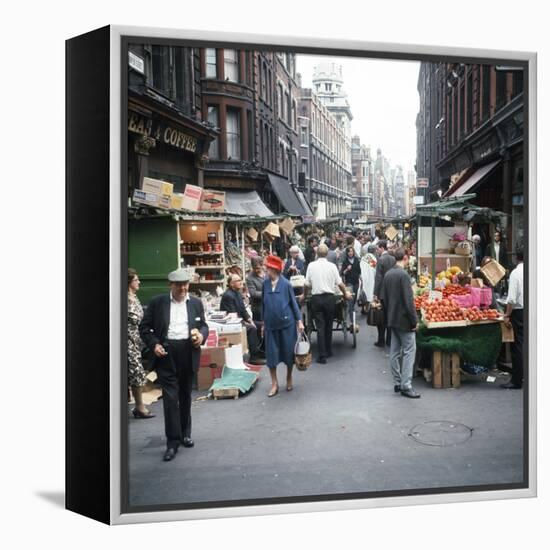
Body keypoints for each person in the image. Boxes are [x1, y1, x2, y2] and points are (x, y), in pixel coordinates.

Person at [139, 268, 209, 461]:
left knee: (186, 394)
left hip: (188, 351)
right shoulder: (158, 303)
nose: (183, 288)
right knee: (171, 398)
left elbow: (204, 325)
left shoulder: (195, 303)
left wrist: (201, 335)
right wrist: (154, 344)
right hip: (167, 353)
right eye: (179, 285)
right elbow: (144, 327)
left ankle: (186, 433)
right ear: (171, 285)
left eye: (186, 284)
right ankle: (172, 441)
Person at [379, 248, 420, 398]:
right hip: (403, 320)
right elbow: (409, 302)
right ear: (405, 258)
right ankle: (406, 385)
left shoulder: (388, 274)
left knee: (395, 352)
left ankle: (397, 382)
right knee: (409, 350)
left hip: (392, 319)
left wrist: (388, 314)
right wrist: (414, 320)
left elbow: (382, 298)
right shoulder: (403, 275)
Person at [261, 255, 304, 397]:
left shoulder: (286, 284)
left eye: (267, 268)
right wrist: (263, 324)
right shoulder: (265, 284)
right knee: (271, 356)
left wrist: (299, 321)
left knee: (288, 354)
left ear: (273, 270)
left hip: (287, 324)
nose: (266, 270)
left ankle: (289, 377)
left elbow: (293, 303)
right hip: (270, 326)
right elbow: (263, 305)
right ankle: (274, 383)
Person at [305, 244, 352, 364]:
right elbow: (340, 283)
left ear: (317, 254)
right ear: (327, 254)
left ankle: (322, 356)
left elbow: (306, 284)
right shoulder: (332, 266)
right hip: (330, 299)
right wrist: (345, 293)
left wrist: (304, 296)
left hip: (316, 298)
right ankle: (328, 350)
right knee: (328, 325)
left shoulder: (311, 265)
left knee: (320, 326)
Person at [220, 273, 265, 365]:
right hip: (232, 323)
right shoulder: (228, 296)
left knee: (261, 325)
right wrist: (247, 323)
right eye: (238, 281)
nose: (241, 282)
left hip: (239, 320)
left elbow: (243, 310)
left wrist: (250, 320)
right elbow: (233, 315)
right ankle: (254, 356)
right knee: (251, 329)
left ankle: (261, 351)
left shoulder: (237, 293)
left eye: (241, 280)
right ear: (231, 284)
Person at [127, 268, 155, 419]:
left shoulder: (134, 297)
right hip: (127, 341)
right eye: (136, 280)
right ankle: (140, 407)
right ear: (128, 282)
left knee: (134, 372)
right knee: (136, 372)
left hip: (137, 341)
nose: (139, 282)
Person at [501, 248, 524, 389]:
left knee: (518, 346)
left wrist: (507, 315)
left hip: (519, 313)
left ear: (517, 258)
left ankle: (516, 380)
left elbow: (512, 299)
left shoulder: (516, 273)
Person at [373, 239, 396, 347]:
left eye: (377, 248)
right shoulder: (393, 259)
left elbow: (378, 278)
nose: (377, 251)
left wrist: (375, 293)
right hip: (392, 292)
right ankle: (389, 340)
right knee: (390, 316)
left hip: (382, 292)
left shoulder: (380, 260)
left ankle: (381, 340)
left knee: (381, 317)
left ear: (382, 248)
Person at [340, 245, 362, 328]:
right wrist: (346, 270)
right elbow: (342, 273)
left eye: (352, 251)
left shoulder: (356, 260)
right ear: (347, 253)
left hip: (356, 281)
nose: (350, 253)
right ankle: (352, 320)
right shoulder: (345, 261)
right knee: (351, 300)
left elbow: (359, 271)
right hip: (349, 282)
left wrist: (361, 280)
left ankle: (351, 312)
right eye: (349, 251)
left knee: (354, 298)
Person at [246, 256, 265, 325]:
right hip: (258, 309)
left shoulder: (267, 273)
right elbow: (253, 293)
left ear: (262, 265)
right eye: (254, 268)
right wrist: (267, 293)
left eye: (258, 268)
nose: (256, 270)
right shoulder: (250, 278)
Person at [359, 244, 377, 314]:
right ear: (374, 251)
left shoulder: (363, 257)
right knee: (369, 293)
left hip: (363, 277)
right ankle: (367, 308)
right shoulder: (373, 259)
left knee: (363, 293)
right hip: (370, 278)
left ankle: (364, 307)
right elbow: (374, 269)